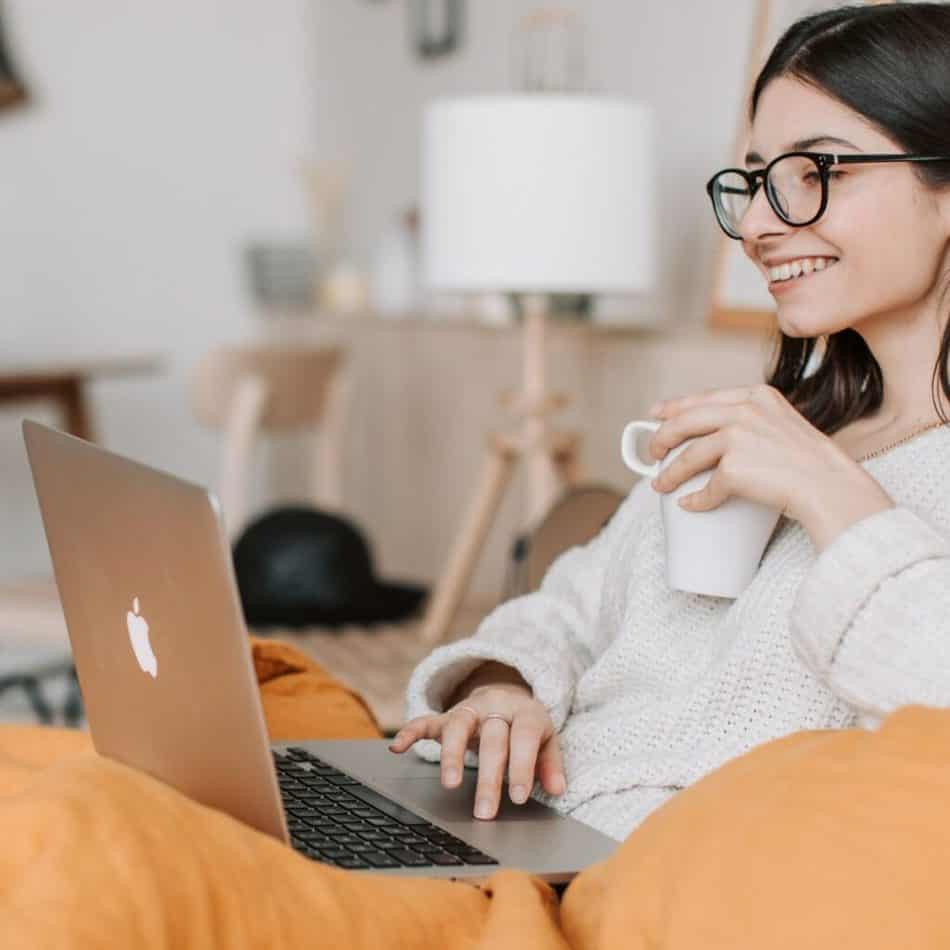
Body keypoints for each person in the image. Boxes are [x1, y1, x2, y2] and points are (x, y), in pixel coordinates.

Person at [391, 1, 950, 842]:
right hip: (520, 823)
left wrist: (832, 496)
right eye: (758, 180)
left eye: (817, 173)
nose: (759, 225)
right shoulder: (775, 423)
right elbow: (568, 606)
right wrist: (505, 688)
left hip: (657, 878)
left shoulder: (805, 457)